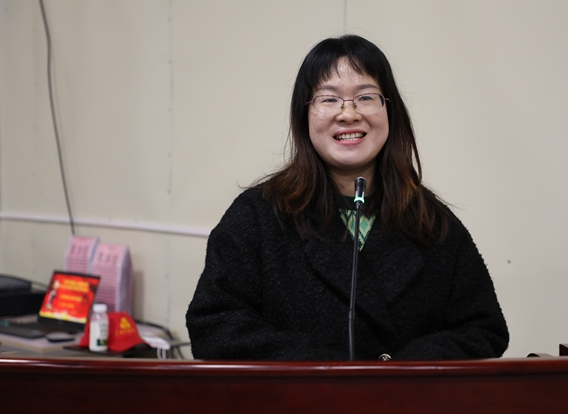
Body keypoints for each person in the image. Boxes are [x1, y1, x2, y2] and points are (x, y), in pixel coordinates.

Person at [186, 35, 509, 361]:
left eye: (365, 97)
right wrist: (325, 370)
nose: (349, 114)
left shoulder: (433, 222)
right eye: (329, 99)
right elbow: (214, 326)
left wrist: (401, 373)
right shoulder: (257, 216)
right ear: (304, 115)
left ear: (390, 110)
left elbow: (483, 329)